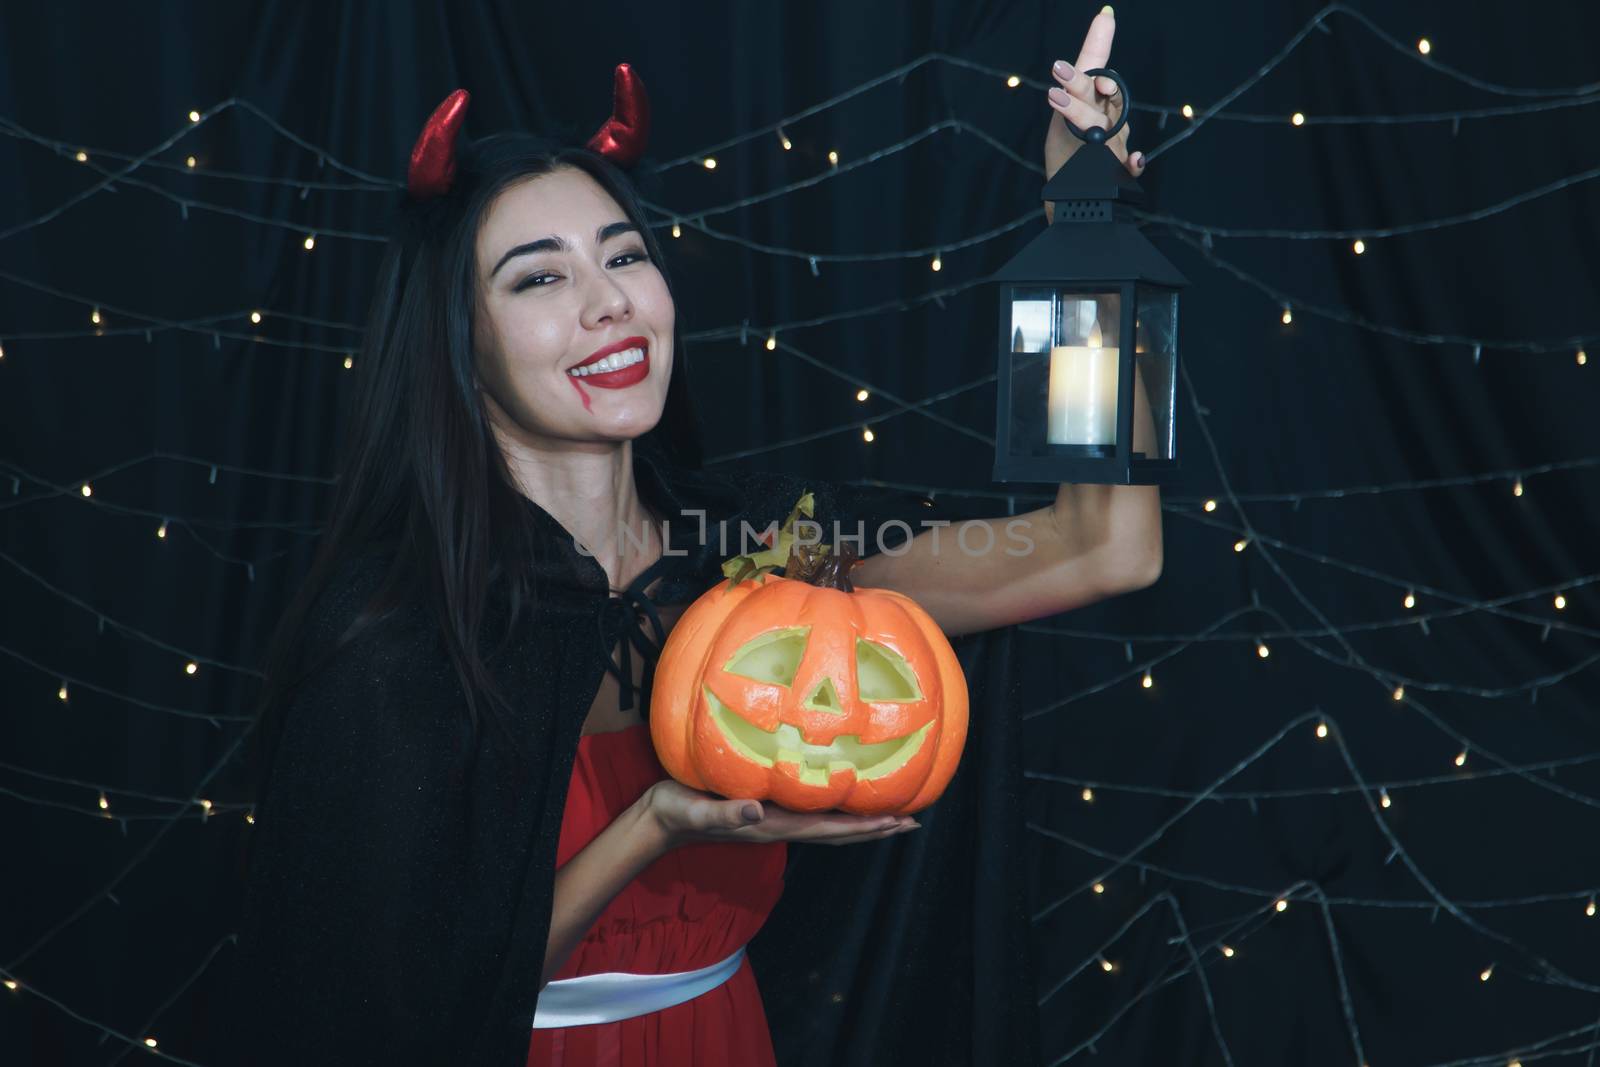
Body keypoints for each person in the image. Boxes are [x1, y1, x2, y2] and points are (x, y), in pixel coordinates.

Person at [232, 10, 1156, 1066]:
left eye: (623, 256)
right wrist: (659, 823)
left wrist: (1085, 224)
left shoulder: (761, 555)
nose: (607, 305)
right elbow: (397, 1002)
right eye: (540, 277)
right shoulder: (393, 631)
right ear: (457, 342)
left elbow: (1100, 544)